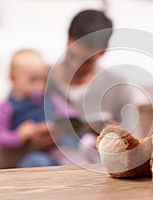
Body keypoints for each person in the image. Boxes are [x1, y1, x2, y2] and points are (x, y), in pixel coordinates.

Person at [22, 9, 136, 167]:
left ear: (102, 52)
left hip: (95, 168)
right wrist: (33, 141)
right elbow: (1, 155)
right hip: (48, 167)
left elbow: (137, 152)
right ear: (67, 39)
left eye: (86, 61)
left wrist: (117, 140)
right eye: (72, 55)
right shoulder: (36, 80)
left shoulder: (119, 88)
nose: (76, 65)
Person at [0, 49, 56, 169]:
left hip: (45, 152)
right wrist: (18, 136)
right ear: (13, 79)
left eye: (42, 80)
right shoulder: (7, 107)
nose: (39, 86)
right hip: (20, 158)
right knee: (38, 162)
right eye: (32, 80)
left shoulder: (44, 101)